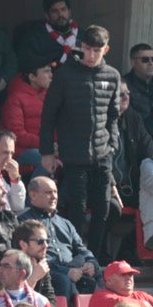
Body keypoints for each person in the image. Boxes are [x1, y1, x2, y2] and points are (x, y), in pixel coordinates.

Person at [38, 24, 120, 255]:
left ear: (106, 49)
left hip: (103, 152)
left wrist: (113, 143)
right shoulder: (65, 74)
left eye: (97, 50)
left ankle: (94, 256)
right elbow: (49, 115)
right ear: (80, 47)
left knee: (104, 207)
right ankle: (76, 255)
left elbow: (114, 115)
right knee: (77, 208)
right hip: (73, 153)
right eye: (87, 49)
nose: (91, 55)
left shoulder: (112, 75)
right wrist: (47, 151)